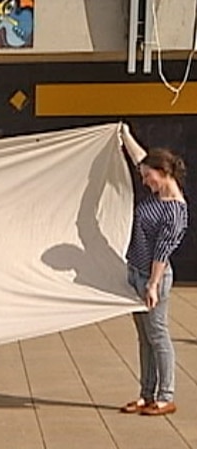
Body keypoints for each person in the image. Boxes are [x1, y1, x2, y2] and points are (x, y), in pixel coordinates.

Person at [120, 148, 188, 416]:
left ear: (164, 174)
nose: (144, 181)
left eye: (149, 177)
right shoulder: (157, 191)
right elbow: (141, 160)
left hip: (153, 278)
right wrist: (124, 134)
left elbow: (162, 251)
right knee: (144, 338)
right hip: (136, 272)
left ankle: (165, 396)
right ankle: (146, 393)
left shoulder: (175, 211)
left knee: (158, 336)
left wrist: (152, 285)